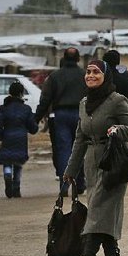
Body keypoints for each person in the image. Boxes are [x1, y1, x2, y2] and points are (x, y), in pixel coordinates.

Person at [63, 60, 128, 256]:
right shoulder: (84, 103)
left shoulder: (117, 100)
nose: (91, 75)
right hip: (91, 163)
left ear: (105, 75)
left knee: (96, 209)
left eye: (96, 72)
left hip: (114, 163)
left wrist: (118, 129)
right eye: (88, 72)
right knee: (102, 213)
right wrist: (70, 170)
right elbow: (80, 138)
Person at [35, 47, 87, 192]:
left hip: (60, 115)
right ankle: (80, 184)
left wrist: (36, 118)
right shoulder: (85, 75)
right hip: (80, 114)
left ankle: (64, 186)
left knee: (63, 150)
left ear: (63, 58)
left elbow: (45, 99)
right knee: (80, 148)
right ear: (78, 59)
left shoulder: (54, 76)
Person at [0, 81, 38, 198]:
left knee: (7, 161)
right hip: (21, 138)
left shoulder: (4, 108)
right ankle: (16, 189)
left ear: (10, 93)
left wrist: (1, 134)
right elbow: (33, 127)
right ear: (21, 94)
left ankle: (7, 174)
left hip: (7, 136)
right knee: (18, 164)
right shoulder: (26, 109)